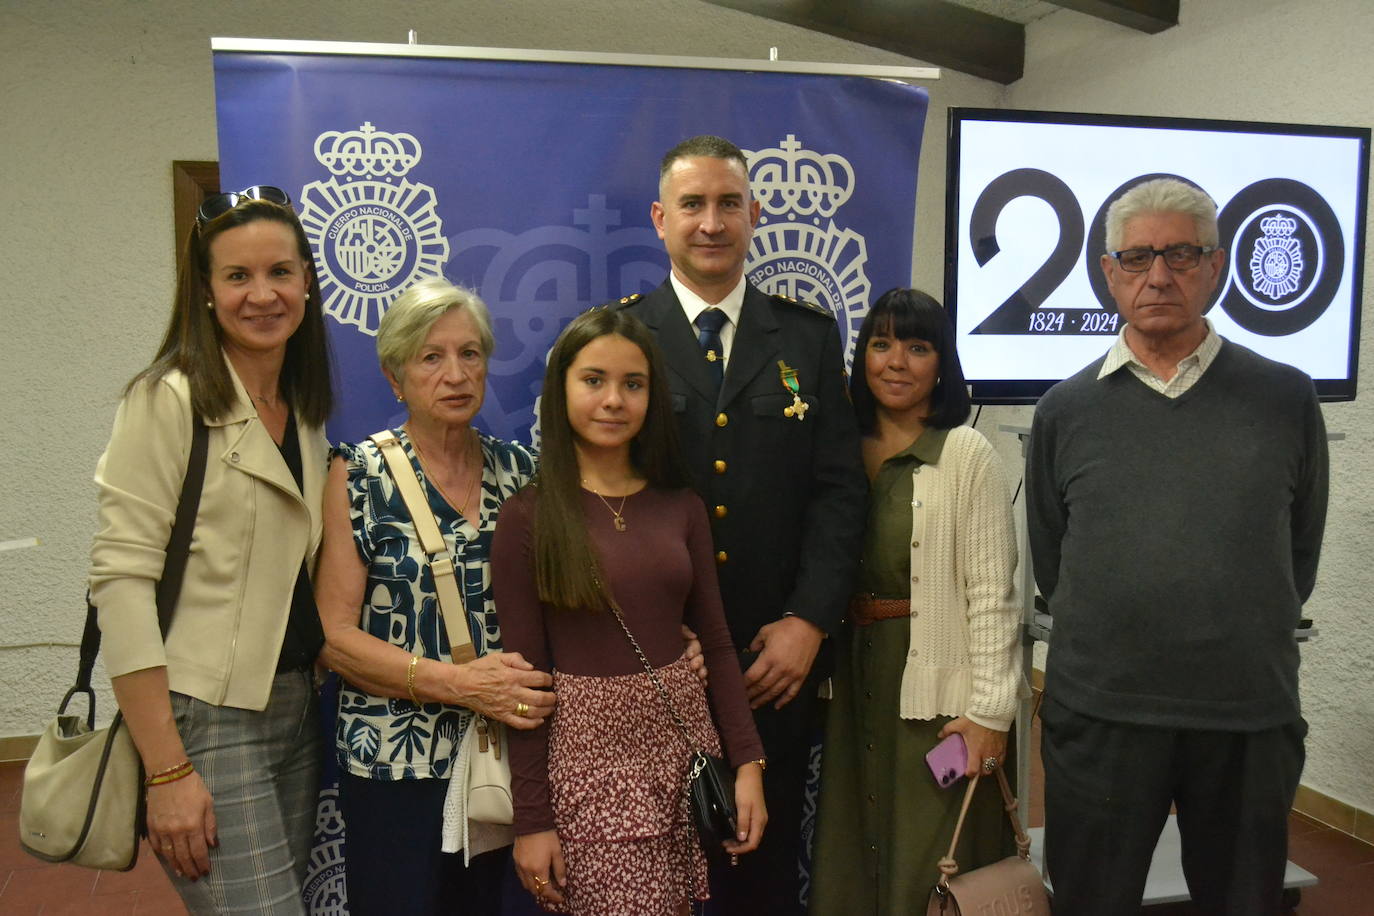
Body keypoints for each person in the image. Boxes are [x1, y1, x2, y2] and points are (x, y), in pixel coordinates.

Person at [1026, 178, 1329, 915]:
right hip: (1102, 715)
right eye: (1136, 258)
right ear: (1108, 272)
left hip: (1244, 717)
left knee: (1244, 902)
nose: (1157, 275)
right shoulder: (1064, 411)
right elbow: (1053, 559)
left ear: (1217, 265)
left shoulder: (1286, 399)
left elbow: (1299, 555)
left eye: (1180, 254)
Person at [613, 134, 867, 913]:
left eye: (729, 204)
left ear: (755, 214)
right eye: (692, 204)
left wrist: (810, 623)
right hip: (653, 662)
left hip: (769, 665)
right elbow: (592, 498)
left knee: (757, 876)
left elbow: (838, 493)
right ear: (661, 219)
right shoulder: (620, 338)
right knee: (647, 878)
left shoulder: (808, 337)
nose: (712, 222)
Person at [89, 186, 334, 913]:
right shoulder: (166, 399)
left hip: (296, 707)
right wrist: (166, 771)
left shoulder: (306, 411)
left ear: (308, 282)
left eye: (280, 272)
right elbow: (121, 582)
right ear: (205, 292)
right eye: (237, 277)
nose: (262, 295)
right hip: (205, 717)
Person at [492, 307, 766, 915]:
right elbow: (524, 685)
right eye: (593, 380)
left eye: (633, 384)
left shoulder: (681, 506)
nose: (613, 400)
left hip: (683, 758)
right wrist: (532, 821)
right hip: (587, 770)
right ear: (561, 389)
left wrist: (748, 765)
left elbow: (717, 644)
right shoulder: (528, 517)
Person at [313, 277, 556, 915]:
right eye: (431, 357)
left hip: (509, 760)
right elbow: (335, 637)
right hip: (395, 765)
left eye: (470, 353)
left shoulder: (522, 472)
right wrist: (462, 684)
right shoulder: (357, 474)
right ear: (396, 379)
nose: (455, 373)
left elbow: (570, 602)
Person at [808, 288, 1022, 914]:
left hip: (936, 694)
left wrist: (990, 713)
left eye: (917, 347)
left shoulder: (966, 455)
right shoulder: (837, 448)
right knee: (854, 846)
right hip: (852, 682)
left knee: (930, 852)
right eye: (881, 344)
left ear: (941, 363)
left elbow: (991, 596)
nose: (896, 362)